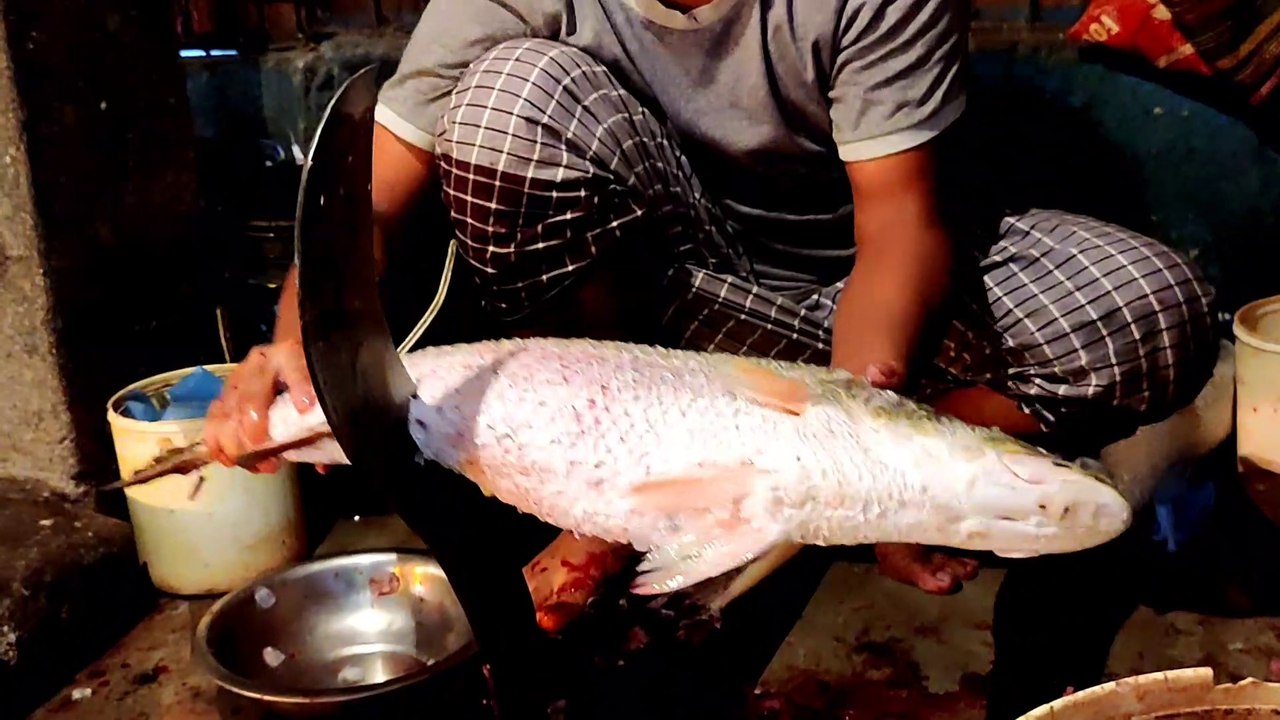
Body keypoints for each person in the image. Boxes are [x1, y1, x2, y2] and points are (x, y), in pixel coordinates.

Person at [204, 0, 1220, 716]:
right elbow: (368, 211)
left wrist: (875, 471)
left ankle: (840, 500)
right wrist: (295, 349)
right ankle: (612, 502)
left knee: (1148, 306)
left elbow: (898, 233)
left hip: (856, 296)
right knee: (511, 99)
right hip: (669, 306)